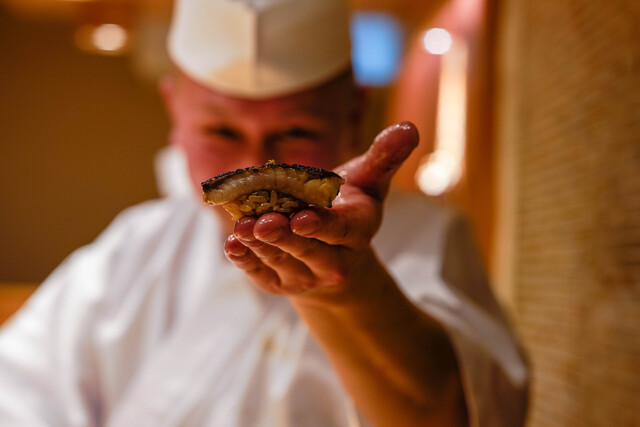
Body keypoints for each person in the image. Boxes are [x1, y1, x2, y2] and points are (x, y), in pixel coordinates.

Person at [0, 0, 528, 426]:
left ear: (353, 112)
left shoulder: (429, 236)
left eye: (295, 133)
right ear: (174, 113)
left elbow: (466, 415)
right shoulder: (135, 247)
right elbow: (19, 389)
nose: (254, 169)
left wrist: (349, 292)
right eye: (221, 132)